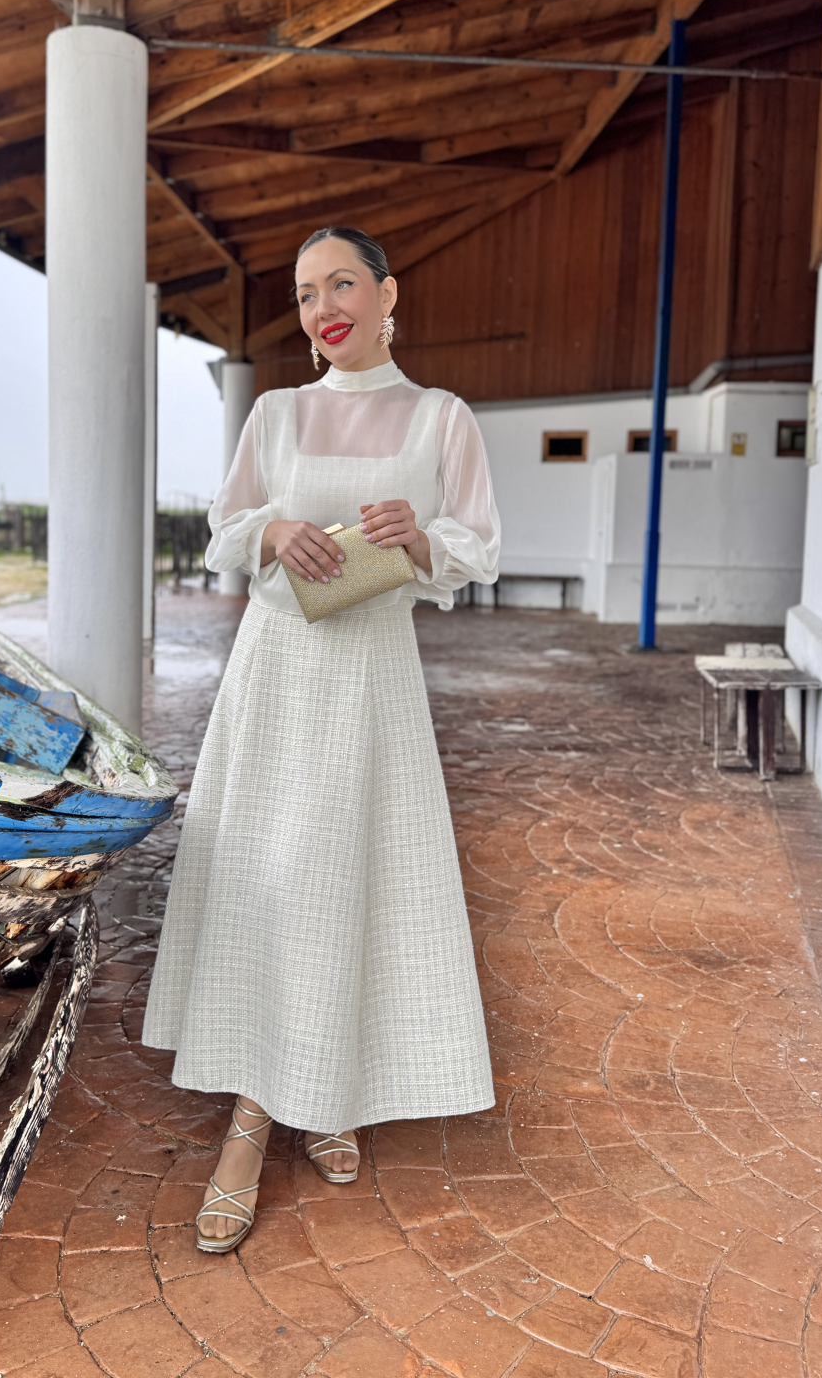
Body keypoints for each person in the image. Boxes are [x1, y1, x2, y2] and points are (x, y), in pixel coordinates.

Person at [142, 225, 501, 1251]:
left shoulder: (443, 419)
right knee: (266, 877)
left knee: (346, 878)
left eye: (342, 281)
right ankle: (252, 1117)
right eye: (305, 293)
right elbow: (222, 528)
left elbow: (480, 547)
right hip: (277, 671)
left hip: (373, 675)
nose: (323, 304)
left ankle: (326, 1090)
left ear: (390, 292)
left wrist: (418, 536)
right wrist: (270, 531)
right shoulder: (278, 411)